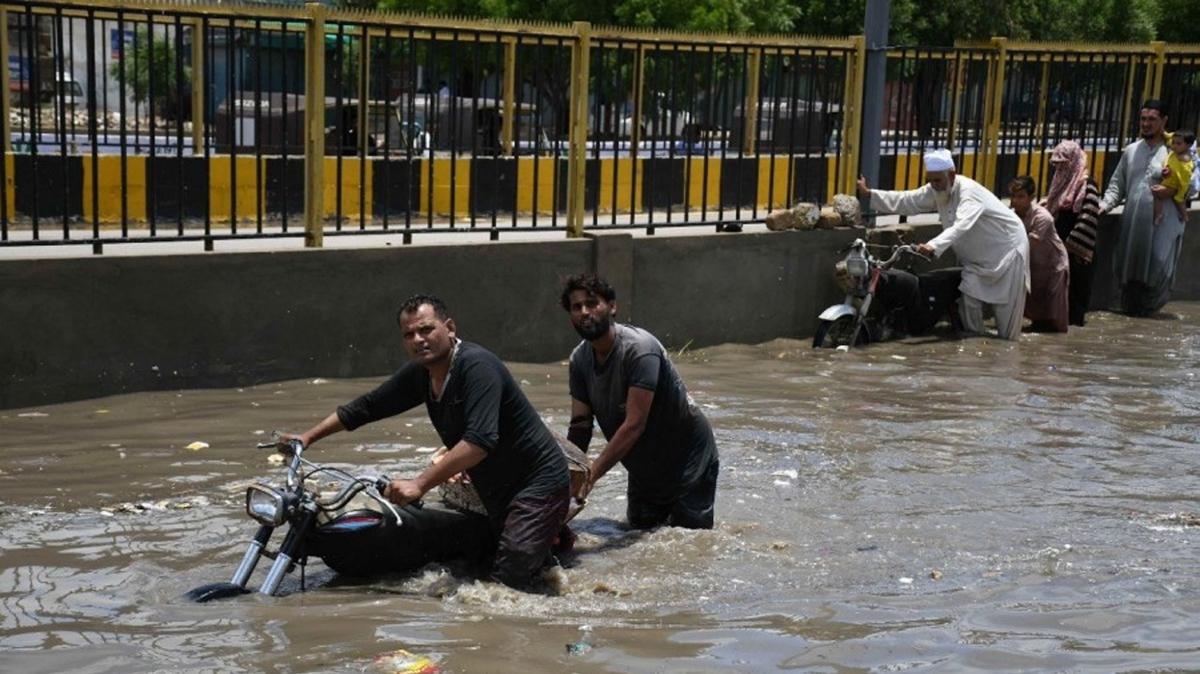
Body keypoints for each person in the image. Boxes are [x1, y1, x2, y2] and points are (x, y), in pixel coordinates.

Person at [279, 294, 570, 591]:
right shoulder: (423, 374)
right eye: (409, 334)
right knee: (480, 561)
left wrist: (420, 484)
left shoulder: (477, 366)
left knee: (509, 583)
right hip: (494, 490)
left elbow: (479, 441)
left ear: (450, 328)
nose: (418, 340)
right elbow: (367, 407)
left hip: (538, 484)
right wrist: (307, 437)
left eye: (426, 329)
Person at [560, 274, 719, 530]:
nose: (585, 312)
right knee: (637, 534)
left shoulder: (639, 349)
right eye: (576, 307)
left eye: (592, 303)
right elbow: (580, 426)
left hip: (687, 459)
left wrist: (591, 476)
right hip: (642, 464)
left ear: (612, 306)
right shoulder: (579, 360)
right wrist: (566, 475)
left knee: (688, 544)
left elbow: (635, 424)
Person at [857, 148, 1030, 340]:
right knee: (969, 299)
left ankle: (1008, 353)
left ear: (952, 175)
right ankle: (977, 349)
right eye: (930, 180)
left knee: (1007, 324)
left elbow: (961, 225)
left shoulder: (969, 192)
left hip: (1008, 253)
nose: (934, 185)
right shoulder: (937, 190)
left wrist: (934, 245)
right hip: (977, 261)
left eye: (938, 180)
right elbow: (908, 200)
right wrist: (870, 194)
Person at [1099, 100, 1187, 316]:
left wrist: (1170, 192)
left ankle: (1149, 319)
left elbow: (1192, 186)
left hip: (1163, 225)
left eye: (1152, 119)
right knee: (1129, 272)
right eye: (1143, 119)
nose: (1146, 124)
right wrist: (1104, 205)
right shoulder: (1131, 151)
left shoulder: (1175, 153)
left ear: (1164, 121)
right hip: (1133, 223)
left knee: (1157, 269)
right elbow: (1117, 185)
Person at [1043, 140, 1103, 327]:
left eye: (1064, 164)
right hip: (1059, 246)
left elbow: (1088, 219)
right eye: (1057, 164)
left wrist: (1071, 247)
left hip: (1078, 249)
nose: (1060, 168)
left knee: (1076, 291)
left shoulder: (1087, 185)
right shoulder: (1059, 183)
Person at [1009, 176, 1068, 333]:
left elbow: (1028, 243)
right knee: (1035, 305)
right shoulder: (1011, 216)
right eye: (1013, 196)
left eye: (1020, 196)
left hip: (1053, 265)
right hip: (1034, 264)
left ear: (1031, 198)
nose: (1015, 200)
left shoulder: (1042, 217)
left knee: (1053, 311)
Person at [1153, 129, 1195, 226]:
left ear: (1188, 146)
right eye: (1174, 143)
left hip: (1174, 184)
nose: (1174, 145)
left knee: (1178, 201)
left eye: (1178, 144)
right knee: (1157, 193)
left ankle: (1184, 216)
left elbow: (1185, 179)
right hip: (1168, 180)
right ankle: (1159, 214)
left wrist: (1181, 192)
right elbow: (1170, 137)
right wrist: (1163, 132)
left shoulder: (1184, 158)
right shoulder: (1176, 150)